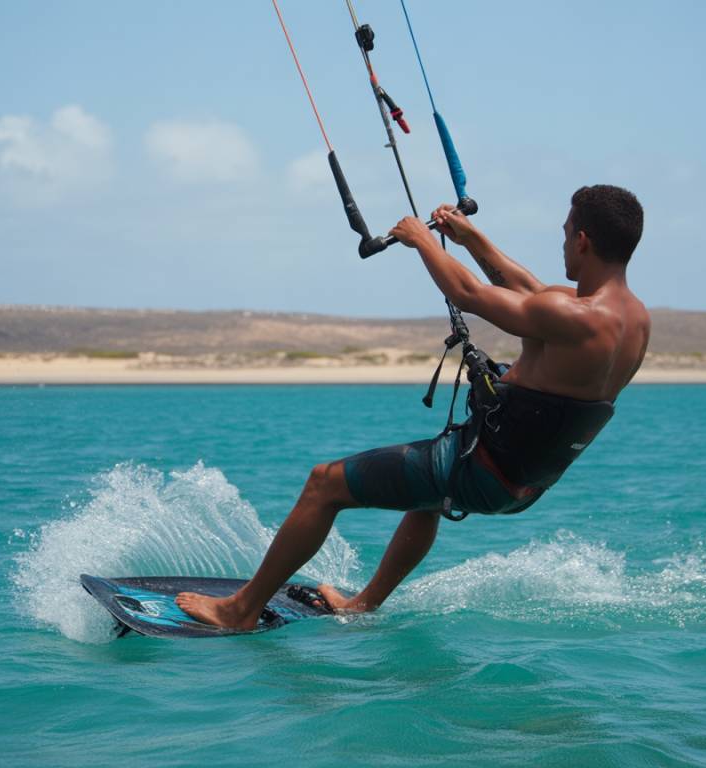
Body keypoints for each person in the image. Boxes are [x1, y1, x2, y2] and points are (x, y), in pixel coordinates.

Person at [176, 184, 650, 630]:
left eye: (566, 235)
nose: (563, 245)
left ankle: (240, 610)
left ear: (583, 240)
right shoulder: (633, 321)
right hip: (524, 483)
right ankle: (362, 606)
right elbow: (531, 292)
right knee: (423, 496)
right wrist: (471, 239)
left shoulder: (575, 316)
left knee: (324, 484)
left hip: (481, 469)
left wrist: (421, 239)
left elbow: (470, 296)